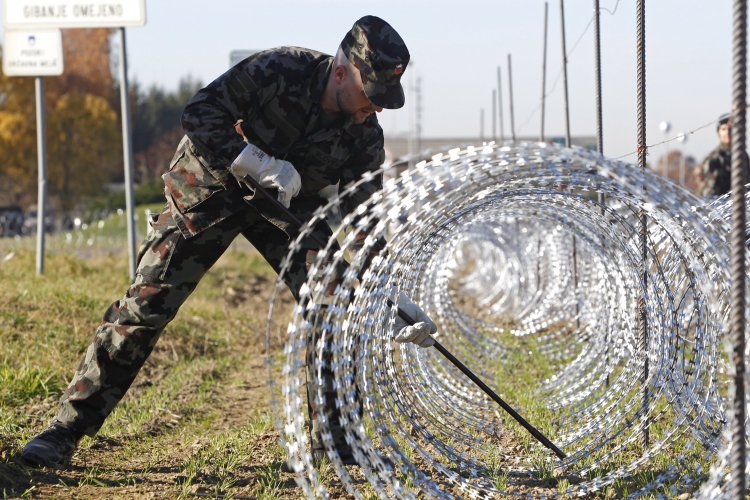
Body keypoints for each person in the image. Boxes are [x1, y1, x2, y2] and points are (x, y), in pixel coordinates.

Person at [21, 15, 437, 469]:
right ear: (341, 71)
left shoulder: (363, 131)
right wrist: (254, 160)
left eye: (382, 101)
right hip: (211, 189)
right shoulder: (279, 70)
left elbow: (365, 214)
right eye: (369, 94)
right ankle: (64, 429)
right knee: (147, 306)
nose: (374, 108)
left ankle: (334, 443)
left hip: (285, 208)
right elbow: (199, 114)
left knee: (337, 300)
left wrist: (387, 293)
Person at [697, 113, 735, 197]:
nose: (727, 132)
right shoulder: (714, 159)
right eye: (723, 129)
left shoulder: (742, 156)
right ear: (719, 133)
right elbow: (710, 195)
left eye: (730, 129)